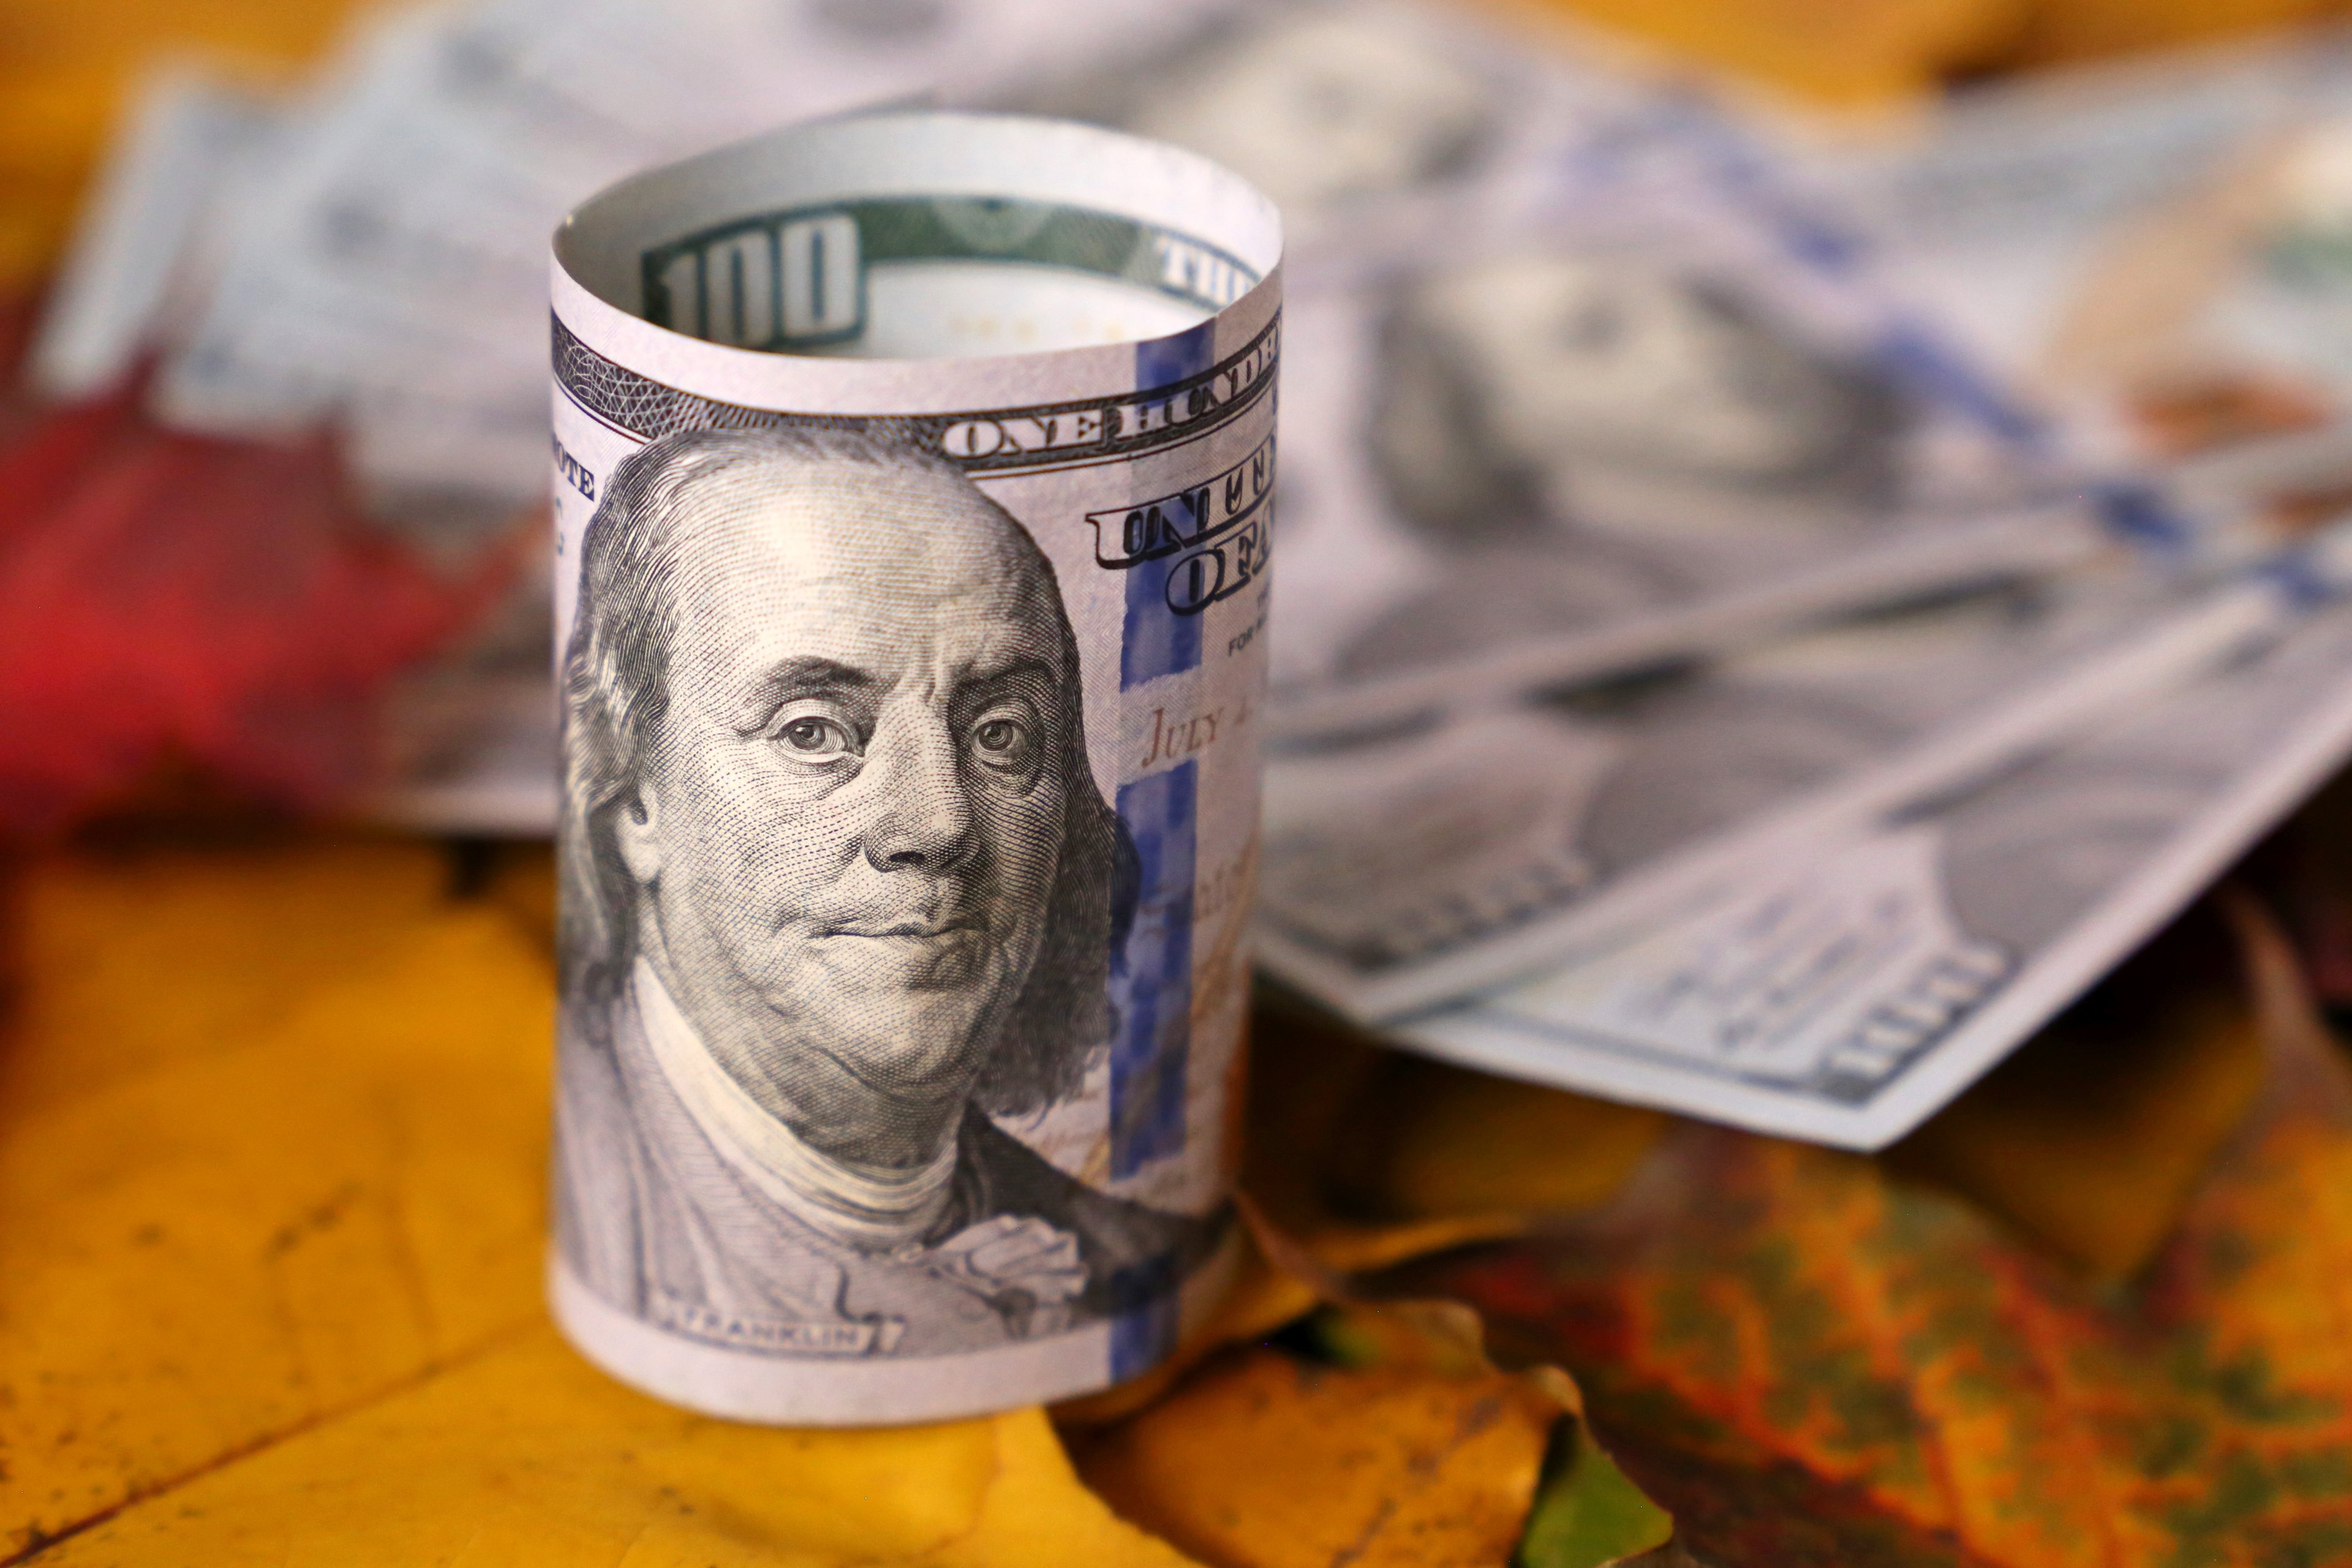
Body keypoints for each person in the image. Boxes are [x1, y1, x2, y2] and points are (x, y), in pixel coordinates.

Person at [552, 425, 1196, 1359]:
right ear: (634, 795)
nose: (938, 825)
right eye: (813, 731)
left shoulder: (1125, 1259)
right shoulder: (589, 1197)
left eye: (1002, 735)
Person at [1340, 250, 1910, 681]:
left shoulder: (1931, 502)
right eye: (1597, 335)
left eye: (1708, 302)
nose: (1703, 341)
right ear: (1492, 420)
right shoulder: (1485, 625)